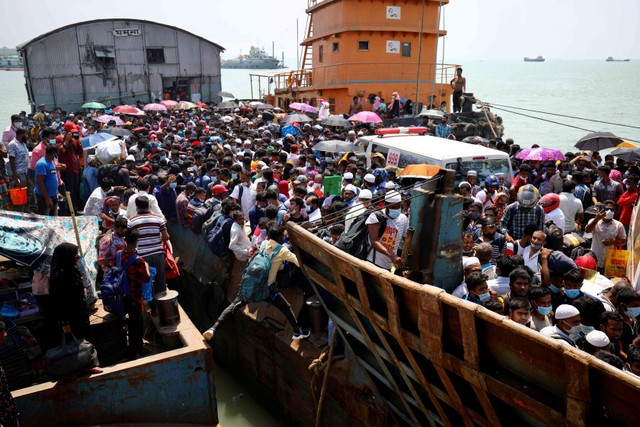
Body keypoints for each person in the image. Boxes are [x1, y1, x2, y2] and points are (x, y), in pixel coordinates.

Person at [202, 224, 310, 342]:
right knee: (286, 308)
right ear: (280, 237)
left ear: (269, 235)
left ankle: (213, 328)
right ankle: (296, 332)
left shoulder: (264, 244)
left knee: (233, 306)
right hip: (269, 290)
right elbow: (299, 263)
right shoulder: (283, 251)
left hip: (251, 284)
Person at [128, 196, 169, 305]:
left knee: (146, 280)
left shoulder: (132, 221)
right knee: (160, 280)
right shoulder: (158, 218)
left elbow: (130, 241)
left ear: (137, 207)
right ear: (149, 206)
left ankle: (152, 306)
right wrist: (157, 238)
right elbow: (166, 237)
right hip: (158, 254)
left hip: (142, 255)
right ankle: (162, 305)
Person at [48, 242, 90, 344]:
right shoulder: (59, 276)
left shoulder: (72, 268)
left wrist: (83, 289)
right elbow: (59, 302)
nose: (77, 256)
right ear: (67, 256)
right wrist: (65, 324)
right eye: (74, 254)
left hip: (80, 313)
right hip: (70, 318)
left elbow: (79, 284)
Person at [119, 228, 151, 359]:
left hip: (123, 294)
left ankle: (136, 348)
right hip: (134, 296)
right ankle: (135, 351)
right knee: (136, 324)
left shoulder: (119, 254)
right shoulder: (138, 260)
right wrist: (147, 266)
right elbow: (146, 278)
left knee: (136, 321)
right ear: (136, 241)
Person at [366, 192, 409, 270]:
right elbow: (374, 242)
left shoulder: (403, 219)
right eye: (392, 207)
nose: (395, 209)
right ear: (386, 204)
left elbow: (405, 239)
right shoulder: (376, 216)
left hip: (390, 264)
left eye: (398, 206)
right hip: (374, 262)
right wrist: (392, 255)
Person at [585, 200, 626, 271]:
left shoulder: (618, 225)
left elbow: (624, 241)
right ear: (602, 210)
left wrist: (612, 242)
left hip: (609, 262)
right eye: (607, 209)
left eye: (612, 210)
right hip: (595, 259)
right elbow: (587, 230)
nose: (609, 211)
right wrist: (596, 219)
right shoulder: (594, 221)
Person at [6, 127, 29, 211]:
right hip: (18, 174)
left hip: (25, 172)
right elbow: (11, 160)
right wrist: (15, 176)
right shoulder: (13, 144)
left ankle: (24, 212)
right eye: (25, 134)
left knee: (25, 196)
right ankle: (18, 213)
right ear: (21, 134)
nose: (27, 136)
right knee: (18, 197)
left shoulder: (23, 143)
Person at [34, 144, 60, 216]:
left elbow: (52, 177)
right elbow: (40, 182)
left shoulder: (51, 162)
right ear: (54, 153)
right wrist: (47, 199)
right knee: (44, 219)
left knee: (53, 219)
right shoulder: (42, 164)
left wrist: (56, 192)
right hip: (44, 198)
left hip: (53, 196)